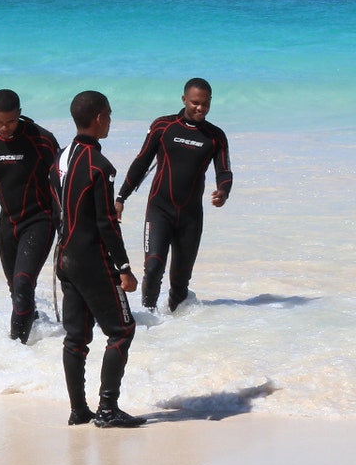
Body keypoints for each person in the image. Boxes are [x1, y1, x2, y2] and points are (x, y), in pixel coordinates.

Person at [54, 91, 145, 428]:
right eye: (109, 113)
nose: (110, 119)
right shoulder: (100, 166)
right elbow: (106, 221)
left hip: (64, 256)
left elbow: (57, 206)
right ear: (97, 118)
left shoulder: (61, 158)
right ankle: (107, 410)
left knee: (76, 337)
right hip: (91, 259)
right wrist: (124, 268)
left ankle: (79, 410)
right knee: (122, 330)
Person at [117, 78, 233, 312]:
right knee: (152, 269)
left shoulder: (215, 136)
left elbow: (225, 172)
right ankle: (148, 320)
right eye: (195, 103)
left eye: (206, 104)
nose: (200, 108)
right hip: (159, 210)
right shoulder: (163, 126)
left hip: (190, 216)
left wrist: (223, 192)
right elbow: (141, 162)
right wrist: (121, 198)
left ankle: (175, 333)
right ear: (184, 100)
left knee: (180, 282)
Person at [0, 89, 60, 345]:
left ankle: (14, 350)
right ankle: (35, 333)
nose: (4, 128)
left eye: (10, 121)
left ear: (19, 114)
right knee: (17, 291)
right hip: (8, 224)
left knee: (22, 283)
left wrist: (65, 226)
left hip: (40, 220)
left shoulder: (42, 140)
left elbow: (59, 185)